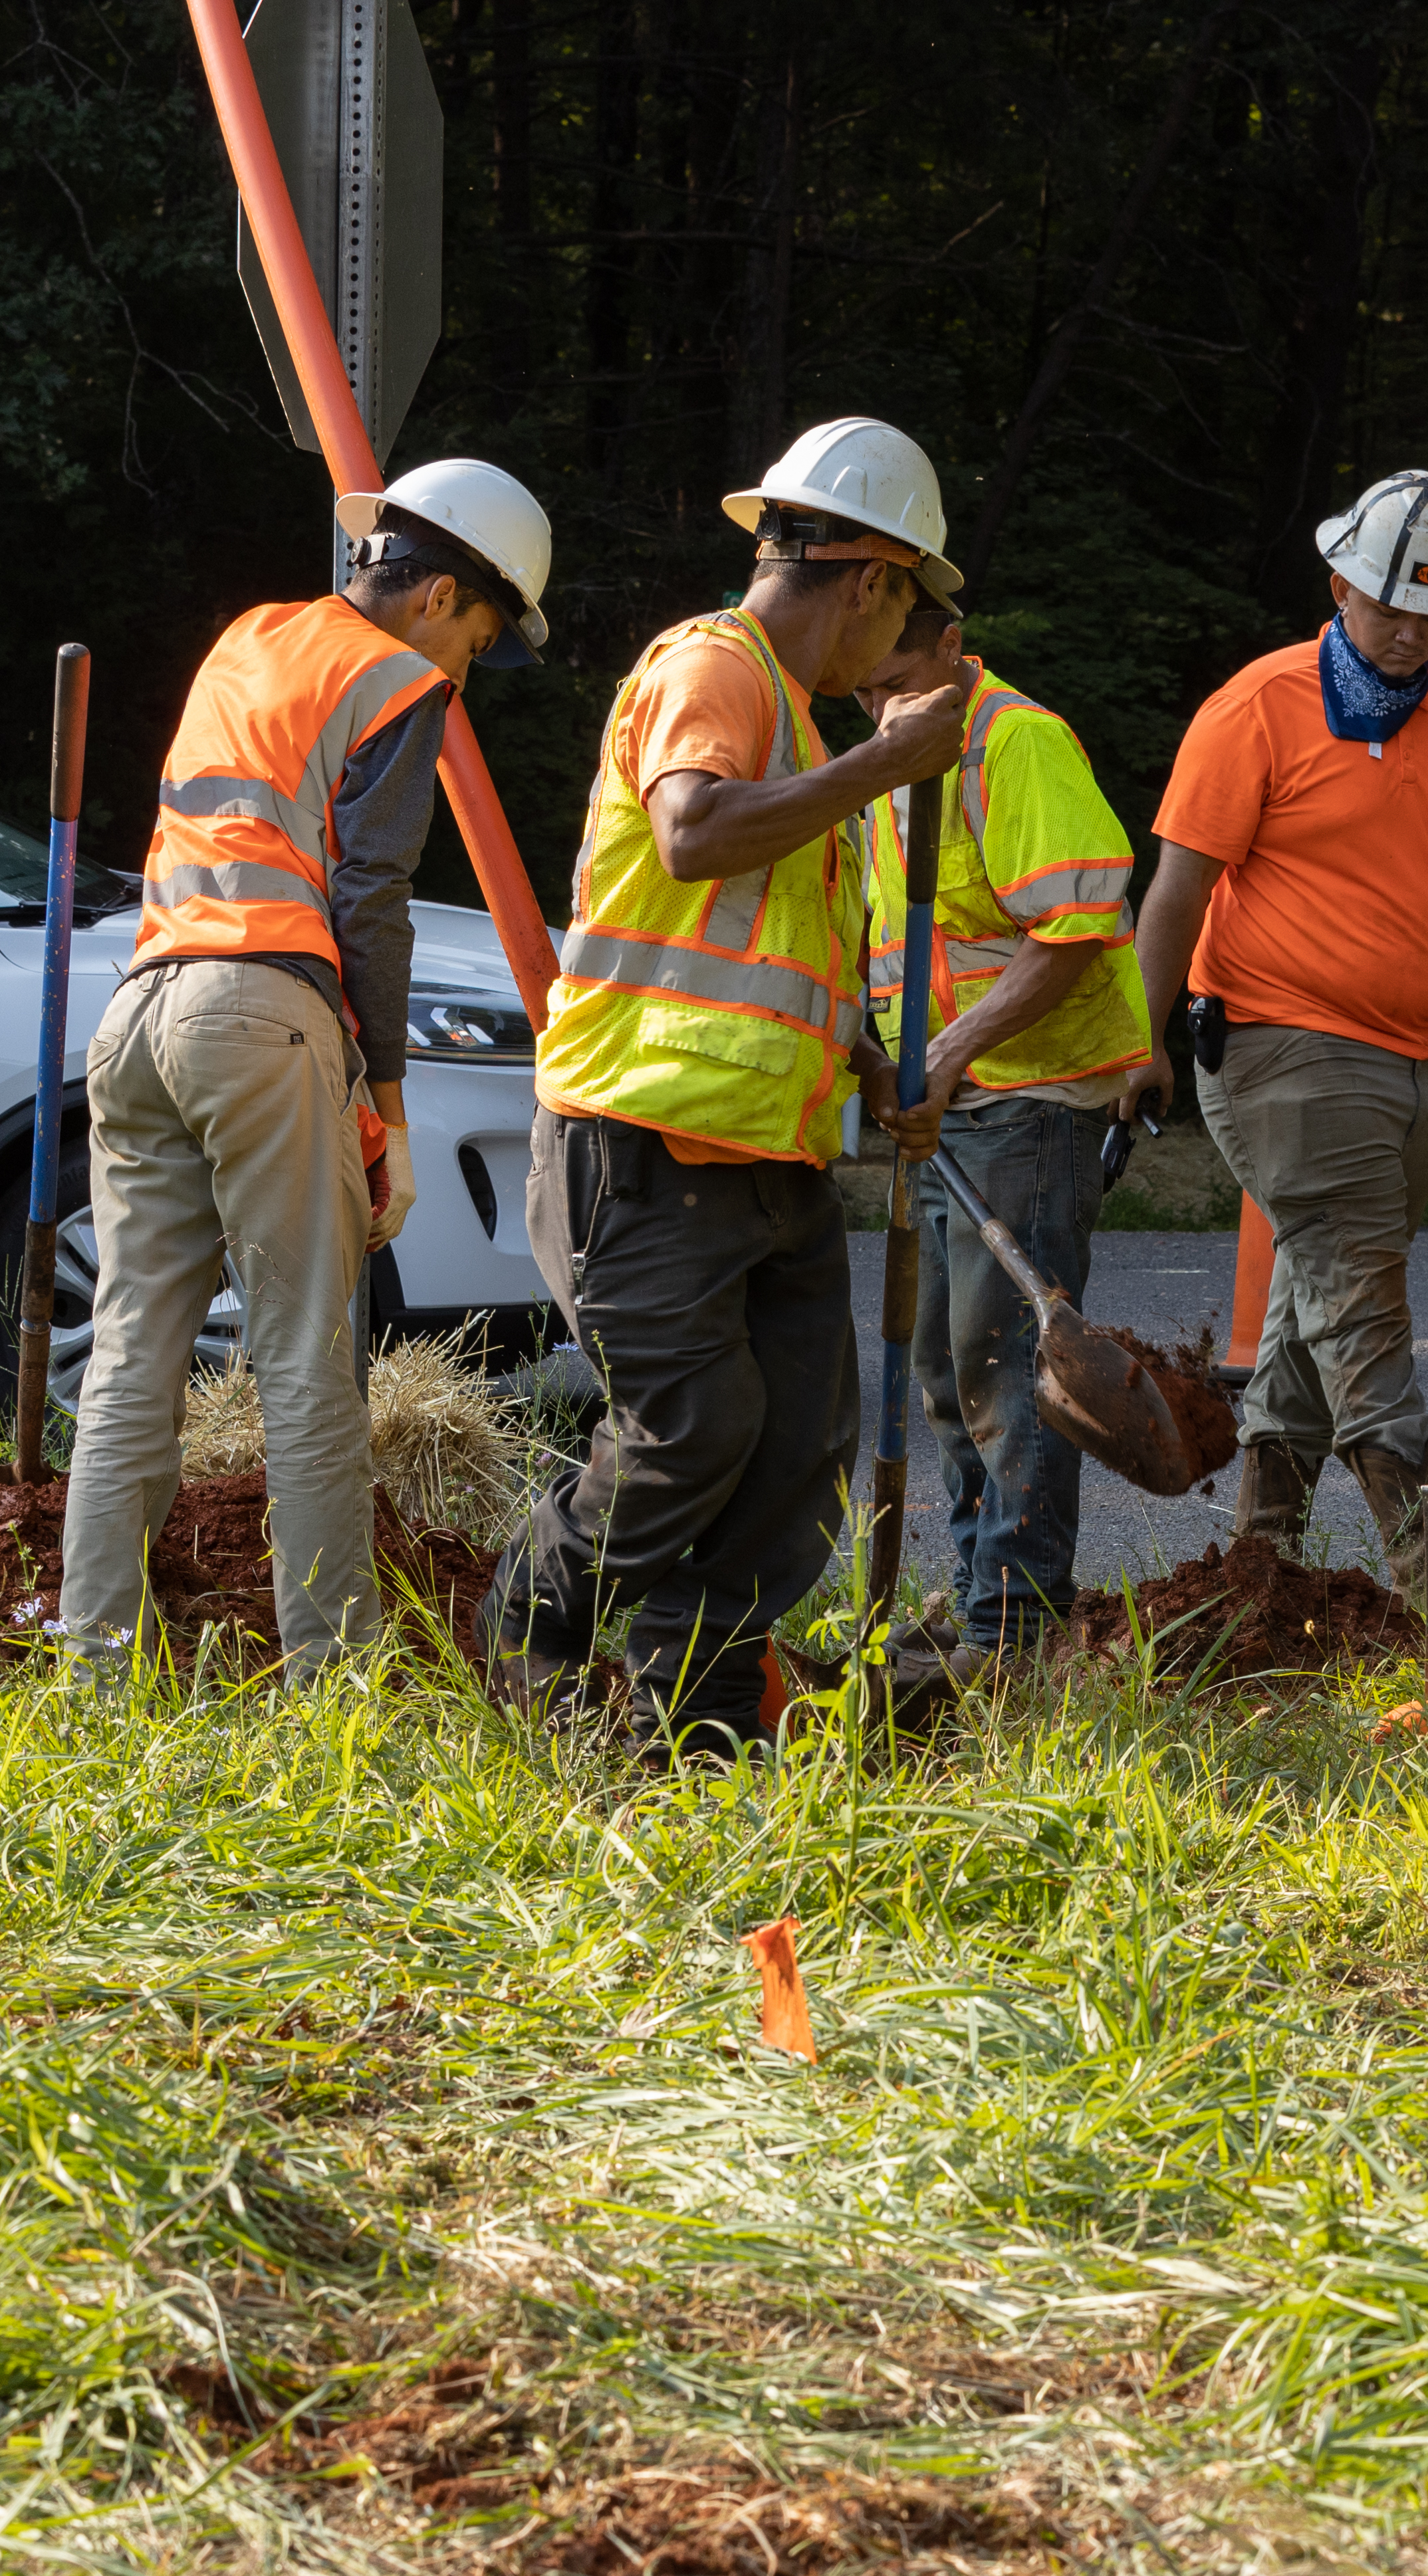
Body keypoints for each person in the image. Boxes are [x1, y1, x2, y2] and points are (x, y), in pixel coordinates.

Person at [483, 417, 969, 1759]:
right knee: (694, 1428)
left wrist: (868, 1058)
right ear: (870, 578)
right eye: (912, 602)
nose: (905, 645)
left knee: (795, 1453)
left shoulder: (801, 726)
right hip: (638, 1144)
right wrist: (885, 765)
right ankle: (532, 1629)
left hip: (769, 1160)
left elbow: (773, 956)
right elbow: (692, 834)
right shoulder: (717, 666)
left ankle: (689, 1716)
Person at [62, 456, 551, 1685]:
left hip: (137, 1014)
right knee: (304, 1360)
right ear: (439, 597)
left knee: (130, 1355)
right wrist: (384, 1098)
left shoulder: (251, 636)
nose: (463, 673)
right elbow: (369, 902)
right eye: (478, 641)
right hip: (262, 1014)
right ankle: (333, 1680)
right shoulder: (396, 680)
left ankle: (91, 1671)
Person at [1133, 470, 1428, 1586]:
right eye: (1391, 608)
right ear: (1340, 590)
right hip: (1281, 1047)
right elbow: (1175, 893)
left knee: (1312, 1315)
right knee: (1362, 1316)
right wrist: (1143, 1042)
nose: (1414, 632)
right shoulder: (1257, 706)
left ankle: (1257, 1572)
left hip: (1418, 1054)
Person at [847, 586, 1151, 1662]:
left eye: (901, 683)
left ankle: (1018, 1627)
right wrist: (891, 1068)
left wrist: (950, 1054)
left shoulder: (1013, 745)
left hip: (1028, 1098)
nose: (884, 711)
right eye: (867, 691)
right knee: (945, 1364)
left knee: (1006, 1365)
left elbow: (1072, 932)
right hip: (950, 1104)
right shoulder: (893, 763)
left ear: (955, 646)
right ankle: (983, 1596)